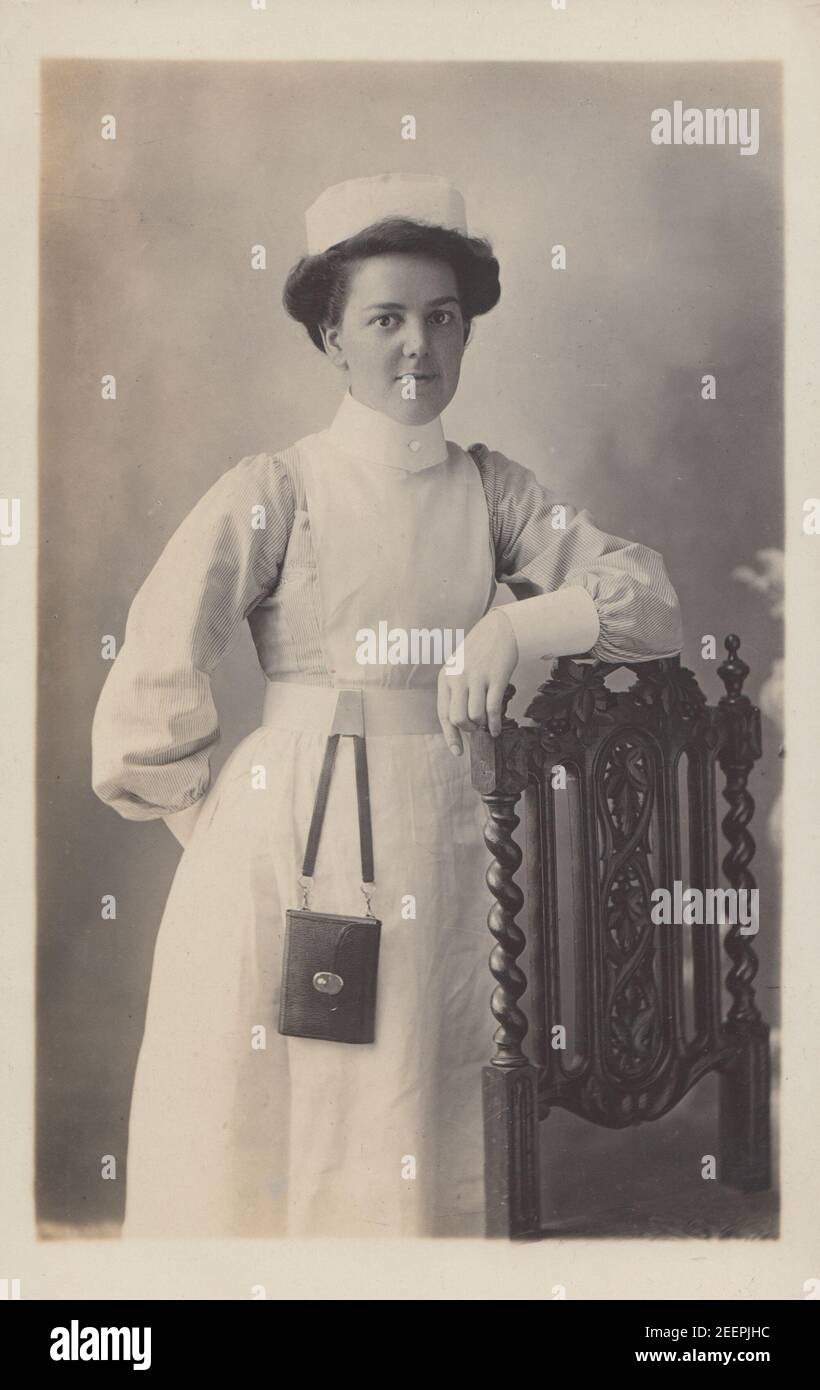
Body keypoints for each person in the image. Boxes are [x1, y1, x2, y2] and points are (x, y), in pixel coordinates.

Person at [91, 172, 684, 1239]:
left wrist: (517, 625)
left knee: (419, 1093)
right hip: (287, 832)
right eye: (386, 318)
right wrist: (223, 831)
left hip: (453, 832)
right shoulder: (278, 487)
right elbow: (151, 677)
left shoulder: (491, 490)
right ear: (332, 337)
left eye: (442, 317)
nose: (419, 345)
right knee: (274, 1113)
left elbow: (650, 603)